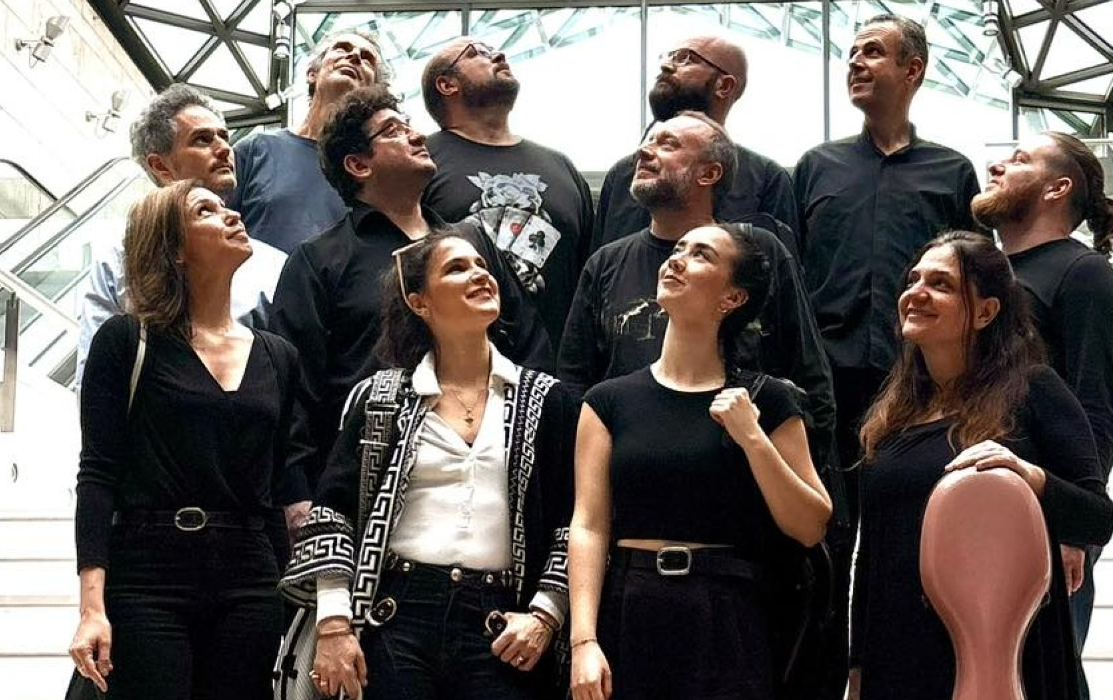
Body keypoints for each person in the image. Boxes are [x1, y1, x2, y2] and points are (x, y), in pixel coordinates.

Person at [279, 230, 576, 700]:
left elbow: (574, 521)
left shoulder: (548, 400)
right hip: (396, 615)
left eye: (482, 265)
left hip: (502, 624)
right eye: (457, 268)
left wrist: (545, 614)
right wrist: (334, 626)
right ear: (419, 302)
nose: (479, 275)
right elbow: (333, 513)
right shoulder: (381, 396)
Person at [791, 15, 981, 696]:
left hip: (919, 390)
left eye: (873, 52)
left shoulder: (952, 172)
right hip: (825, 387)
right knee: (822, 538)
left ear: (913, 69)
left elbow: (970, 278)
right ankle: (820, 679)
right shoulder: (815, 167)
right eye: (851, 53)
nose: (856, 63)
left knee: (908, 533)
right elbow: (791, 276)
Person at [568, 223, 832, 700]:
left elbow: (811, 525)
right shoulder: (607, 401)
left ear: (733, 298)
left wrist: (753, 438)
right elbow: (588, 525)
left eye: (701, 254)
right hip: (631, 605)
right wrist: (583, 641)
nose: (676, 259)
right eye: (678, 249)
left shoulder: (768, 400)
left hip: (730, 613)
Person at [849, 231, 1113, 700]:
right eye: (913, 280)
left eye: (941, 284)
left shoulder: (1034, 388)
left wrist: (1031, 477)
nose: (916, 293)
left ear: (987, 311)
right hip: (901, 651)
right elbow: (871, 555)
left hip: (1005, 652)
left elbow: (1097, 517)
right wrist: (857, 668)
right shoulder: (895, 413)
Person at [69, 180, 304, 699]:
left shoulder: (278, 355)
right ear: (173, 248)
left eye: (225, 207)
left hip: (249, 573)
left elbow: (275, 485)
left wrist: (287, 587)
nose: (231, 215)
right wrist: (91, 607)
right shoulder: (126, 339)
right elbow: (98, 475)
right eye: (205, 211)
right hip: (148, 571)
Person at [269, 85, 551, 507]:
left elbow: (528, 344)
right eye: (393, 131)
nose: (417, 136)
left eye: (409, 126)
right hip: (364, 480)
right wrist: (297, 495)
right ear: (358, 164)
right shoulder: (319, 259)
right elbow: (293, 384)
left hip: (487, 468)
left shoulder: (472, 243)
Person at [558, 112, 835, 482]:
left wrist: (798, 481)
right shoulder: (606, 263)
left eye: (668, 144)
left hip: (745, 480)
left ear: (709, 174)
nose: (644, 152)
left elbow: (809, 377)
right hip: (633, 479)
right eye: (648, 141)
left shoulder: (759, 253)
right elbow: (575, 384)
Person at [972, 131, 1113, 695]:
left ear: (1057, 188)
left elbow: (1095, 409)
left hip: (1042, 514)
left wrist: (1074, 528)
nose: (997, 165)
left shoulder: (1083, 273)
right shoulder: (982, 275)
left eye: (1019, 160)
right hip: (973, 499)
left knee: (1044, 679)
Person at [75, 84, 281, 384]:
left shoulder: (272, 266)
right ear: (160, 166)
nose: (224, 148)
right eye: (202, 139)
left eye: (224, 136)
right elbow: (93, 378)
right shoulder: (120, 257)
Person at [420, 37, 594, 353]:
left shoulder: (560, 166)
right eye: (476, 53)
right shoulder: (422, 162)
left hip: (555, 367)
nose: (498, 55)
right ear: (446, 85)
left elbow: (589, 277)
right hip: (458, 363)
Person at [591, 34, 800, 253]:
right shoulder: (623, 175)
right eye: (668, 57)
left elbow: (779, 267)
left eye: (686, 58)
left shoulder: (766, 179)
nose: (666, 65)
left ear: (724, 85)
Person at [229, 31, 388, 256]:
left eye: (367, 59)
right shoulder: (256, 149)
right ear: (312, 73)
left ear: (374, 93)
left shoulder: (372, 174)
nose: (354, 56)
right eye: (342, 48)